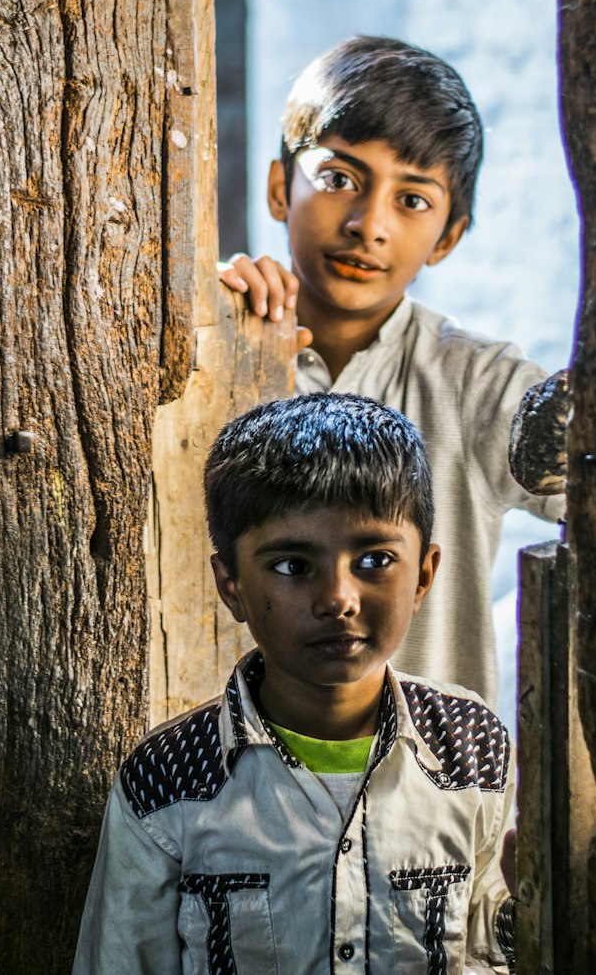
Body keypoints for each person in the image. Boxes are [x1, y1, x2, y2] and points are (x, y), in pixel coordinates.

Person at [72, 392, 518, 975]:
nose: (338, 598)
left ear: (424, 574)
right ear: (230, 585)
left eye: (375, 559)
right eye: (291, 566)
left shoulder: (470, 742)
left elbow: (487, 933)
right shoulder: (169, 778)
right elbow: (121, 962)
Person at [220, 36, 566, 709]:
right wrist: (197, 324)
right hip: (230, 794)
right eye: (339, 178)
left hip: (429, 800)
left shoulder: (479, 387)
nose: (367, 224)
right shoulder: (213, 351)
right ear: (276, 187)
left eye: (411, 200)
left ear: (448, 237)